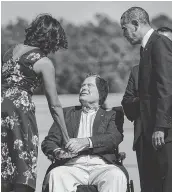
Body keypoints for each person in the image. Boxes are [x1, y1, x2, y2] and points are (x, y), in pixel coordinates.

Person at [1, 14, 69, 192]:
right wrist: (66, 137)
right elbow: (54, 104)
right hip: (19, 112)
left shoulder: (10, 52)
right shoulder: (44, 62)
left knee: (4, 167)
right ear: (51, 40)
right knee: (22, 165)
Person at [41, 74, 127, 192]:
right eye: (83, 85)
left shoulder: (112, 114)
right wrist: (58, 152)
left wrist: (86, 142)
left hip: (102, 166)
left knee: (116, 175)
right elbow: (49, 142)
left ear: (100, 93)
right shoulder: (66, 114)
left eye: (89, 85)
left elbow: (113, 138)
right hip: (72, 166)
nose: (84, 88)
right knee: (56, 175)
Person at [120, 7, 172, 192]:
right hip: (149, 133)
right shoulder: (147, 48)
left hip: (163, 134)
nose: (124, 34)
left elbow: (166, 87)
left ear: (136, 24)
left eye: (124, 28)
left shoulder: (160, 43)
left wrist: (160, 127)